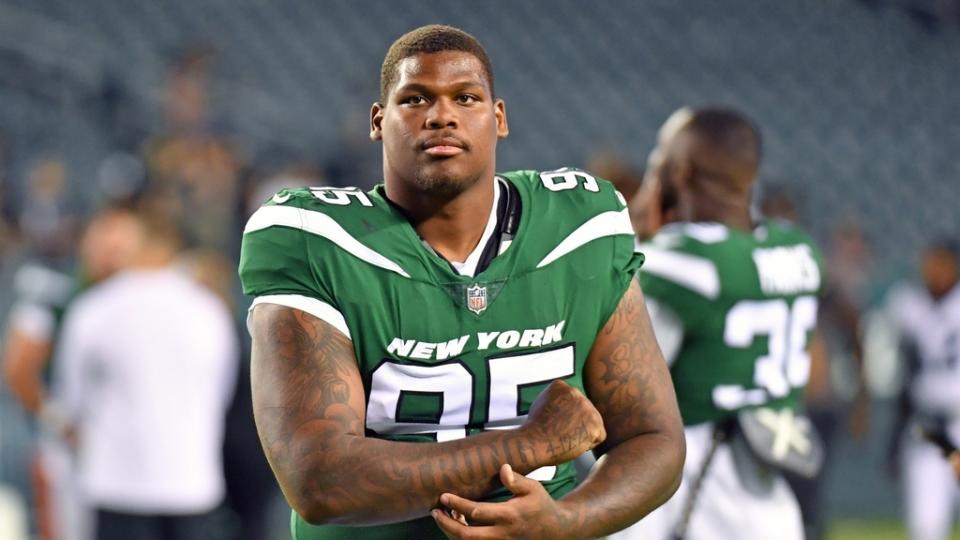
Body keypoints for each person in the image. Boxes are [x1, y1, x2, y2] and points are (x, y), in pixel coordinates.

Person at [239, 24, 685, 540]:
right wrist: (529, 445)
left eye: (465, 97)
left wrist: (564, 522)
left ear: (498, 119)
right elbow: (318, 479)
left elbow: (654, 438)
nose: (442, 115)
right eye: (415, 98)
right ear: (378, 122)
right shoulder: (315, 239)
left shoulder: (579, 228)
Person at [613, 107, 824, 540]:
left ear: (681, 170)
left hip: (687, 482)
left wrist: (634, 226)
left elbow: (620, 388)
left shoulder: (686, 259)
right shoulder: (798, 248)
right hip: (769, 493)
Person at [51, 206, 238, 540]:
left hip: (115, 485)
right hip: (191, 480)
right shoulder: (208, 310)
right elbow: (222, 390)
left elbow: (70, 402)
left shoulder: (93, 310)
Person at [2, 205, 142, 540]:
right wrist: (59, 420)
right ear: (87, 241)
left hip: (124, 441)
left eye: (123, 247)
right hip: (70, 445)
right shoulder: (57, 288)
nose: (115, 257)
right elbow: (19, 368)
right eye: (108, 244)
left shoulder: (139, 296)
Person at [885, 240, 960, 540]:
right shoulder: (908, 304)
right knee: (926, 528)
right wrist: (894, 439)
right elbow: (905, 379)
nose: (934, 270)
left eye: (941, 262)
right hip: (928, 428)